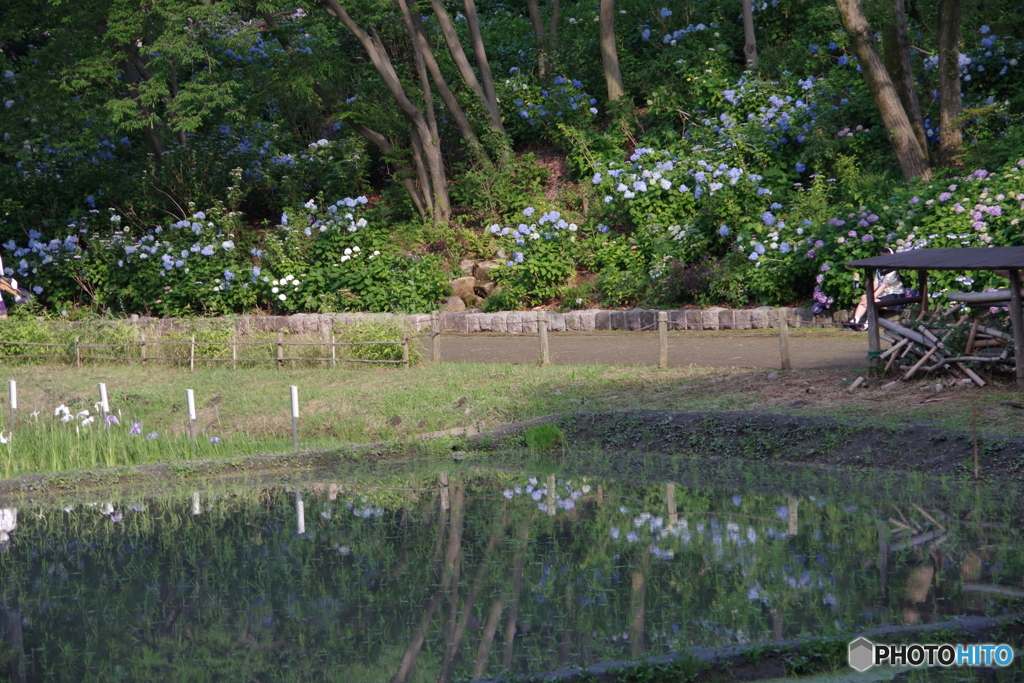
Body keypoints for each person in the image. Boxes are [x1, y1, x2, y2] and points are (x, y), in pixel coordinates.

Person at [843, 247, 905, 331]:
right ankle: (855, 320)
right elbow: (875, 283)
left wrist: (871, 297)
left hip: (894, 296)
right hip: (883, 295)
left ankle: (867, 325)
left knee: (871, 301)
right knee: (864, 297)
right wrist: (868, 294)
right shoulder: (879, 270)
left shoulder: (892, 271)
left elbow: (884, 286)